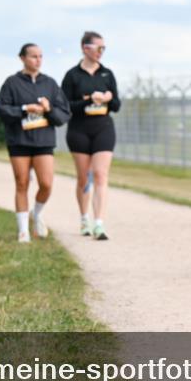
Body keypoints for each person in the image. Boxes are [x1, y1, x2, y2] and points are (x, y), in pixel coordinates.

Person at [0, 43, 71, 243]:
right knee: (21, 183)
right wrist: (24, 109)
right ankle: (23, 232)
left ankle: (37, 214)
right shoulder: (11, 83)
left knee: (46, 184)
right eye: (33, 56)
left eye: (40, 56)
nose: (38, 60)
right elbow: (2, 110)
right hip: (19, 140)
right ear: (22, 58)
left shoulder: (50, 84)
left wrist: (48, 109)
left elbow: (64, 115)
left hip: (43, 141)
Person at [61, 31, 120, 240]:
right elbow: (66, 107)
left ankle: (99, 223)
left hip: (103, 127)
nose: (102, 52)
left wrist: (108, 98)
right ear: (86, 48)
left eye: (104, 48)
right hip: (79, 130)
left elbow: (116, 105)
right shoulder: (72, 76)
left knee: (101, 174)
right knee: (84, 177)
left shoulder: (107, 74)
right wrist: (89, 100)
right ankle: (84, 217)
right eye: (98, 48)